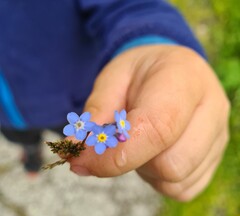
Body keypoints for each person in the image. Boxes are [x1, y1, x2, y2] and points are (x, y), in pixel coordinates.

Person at [0, 0, 229, 201]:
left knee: (77, 141)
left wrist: (151, 41)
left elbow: (131, 5)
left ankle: (73, 152)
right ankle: (31, 155)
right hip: (7, 120)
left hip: (73, 106)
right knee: (21, 137)